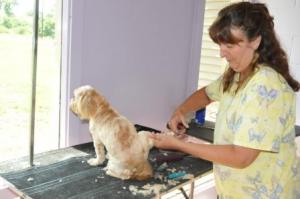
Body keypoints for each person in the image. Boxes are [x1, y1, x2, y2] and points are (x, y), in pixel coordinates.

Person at [149, 2, 300, 198]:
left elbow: (241, 157)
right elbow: (207, 93)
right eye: (220, 44)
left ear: (255, 41)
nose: (221, 53)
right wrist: (182, 110)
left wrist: (178, 144)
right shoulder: (239, 73)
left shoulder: (266, 86)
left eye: (229, 45)